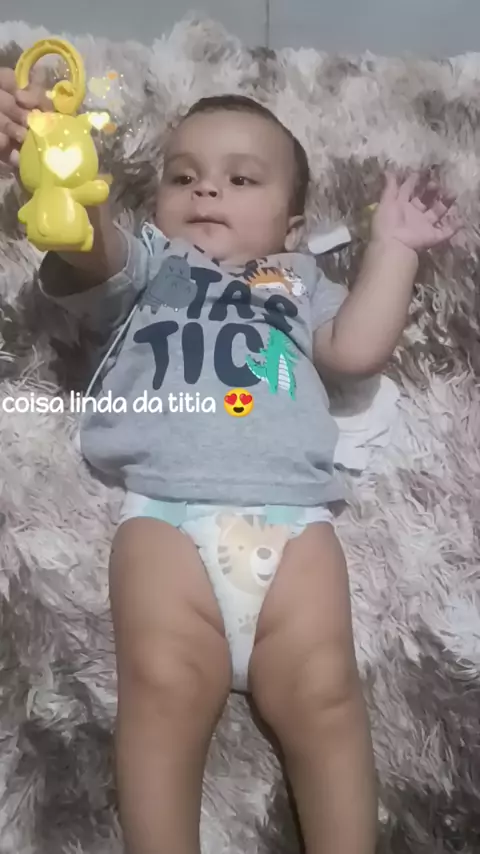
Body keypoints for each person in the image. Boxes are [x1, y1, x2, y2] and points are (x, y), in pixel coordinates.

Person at [0, 67, 459, 854]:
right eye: (184, 177)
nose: (207, 190)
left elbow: (357, 349)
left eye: (241, 179)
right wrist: (63, 168)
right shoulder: (155, 266)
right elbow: (91, 248)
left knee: (326, 696)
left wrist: (394, 250)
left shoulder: (301, 280)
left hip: (297, 524)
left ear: (292, 226)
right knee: (164, 688)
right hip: (165, 518)